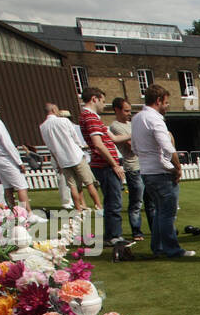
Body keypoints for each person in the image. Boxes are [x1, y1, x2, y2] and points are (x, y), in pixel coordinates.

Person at [131, 84, 193, 259]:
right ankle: (173, 250)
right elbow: (167, 146)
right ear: (158, 101)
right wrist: (177, 167)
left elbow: (135, 147)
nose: (167, 106)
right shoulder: (155, 119)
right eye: (166, 103)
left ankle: (158, 247)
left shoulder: (136, 119)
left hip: (146, 172)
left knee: (159, 211)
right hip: (161, 172)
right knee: (167, 213)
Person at [79, 88, 131, 251]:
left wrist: (134, 133)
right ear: (94, 99)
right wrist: (114, 164)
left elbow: (113, 138)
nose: (103, 105)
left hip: (104, 164)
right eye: (102, 101)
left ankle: (112, 234)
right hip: (105, 165)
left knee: (111, 201)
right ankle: (114, 236)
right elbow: (98, 143)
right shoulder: (90, 117)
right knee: (114, 201)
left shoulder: (94, 118)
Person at [40, 103, 99, 212]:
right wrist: (80, 147)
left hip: (63, 160)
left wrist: (58, 162)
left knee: (73, 186)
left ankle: (78, 208)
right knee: (89, 182)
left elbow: (50, 147)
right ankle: (98, 206)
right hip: (75, 155)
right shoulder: (64, 121)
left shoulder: (43, 126)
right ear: (53, 109)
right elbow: (75, 138)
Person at [107, 98, 144, 243]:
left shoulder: (132, 124)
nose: (129, 113)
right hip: (133, 168)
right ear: (117, 110)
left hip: (144, 166)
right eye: (126, 110)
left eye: (130, 110)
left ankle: (155, 229)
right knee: (136, 202)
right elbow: (132, 146)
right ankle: (136, 231)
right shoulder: (115, 127)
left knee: (150, 201)